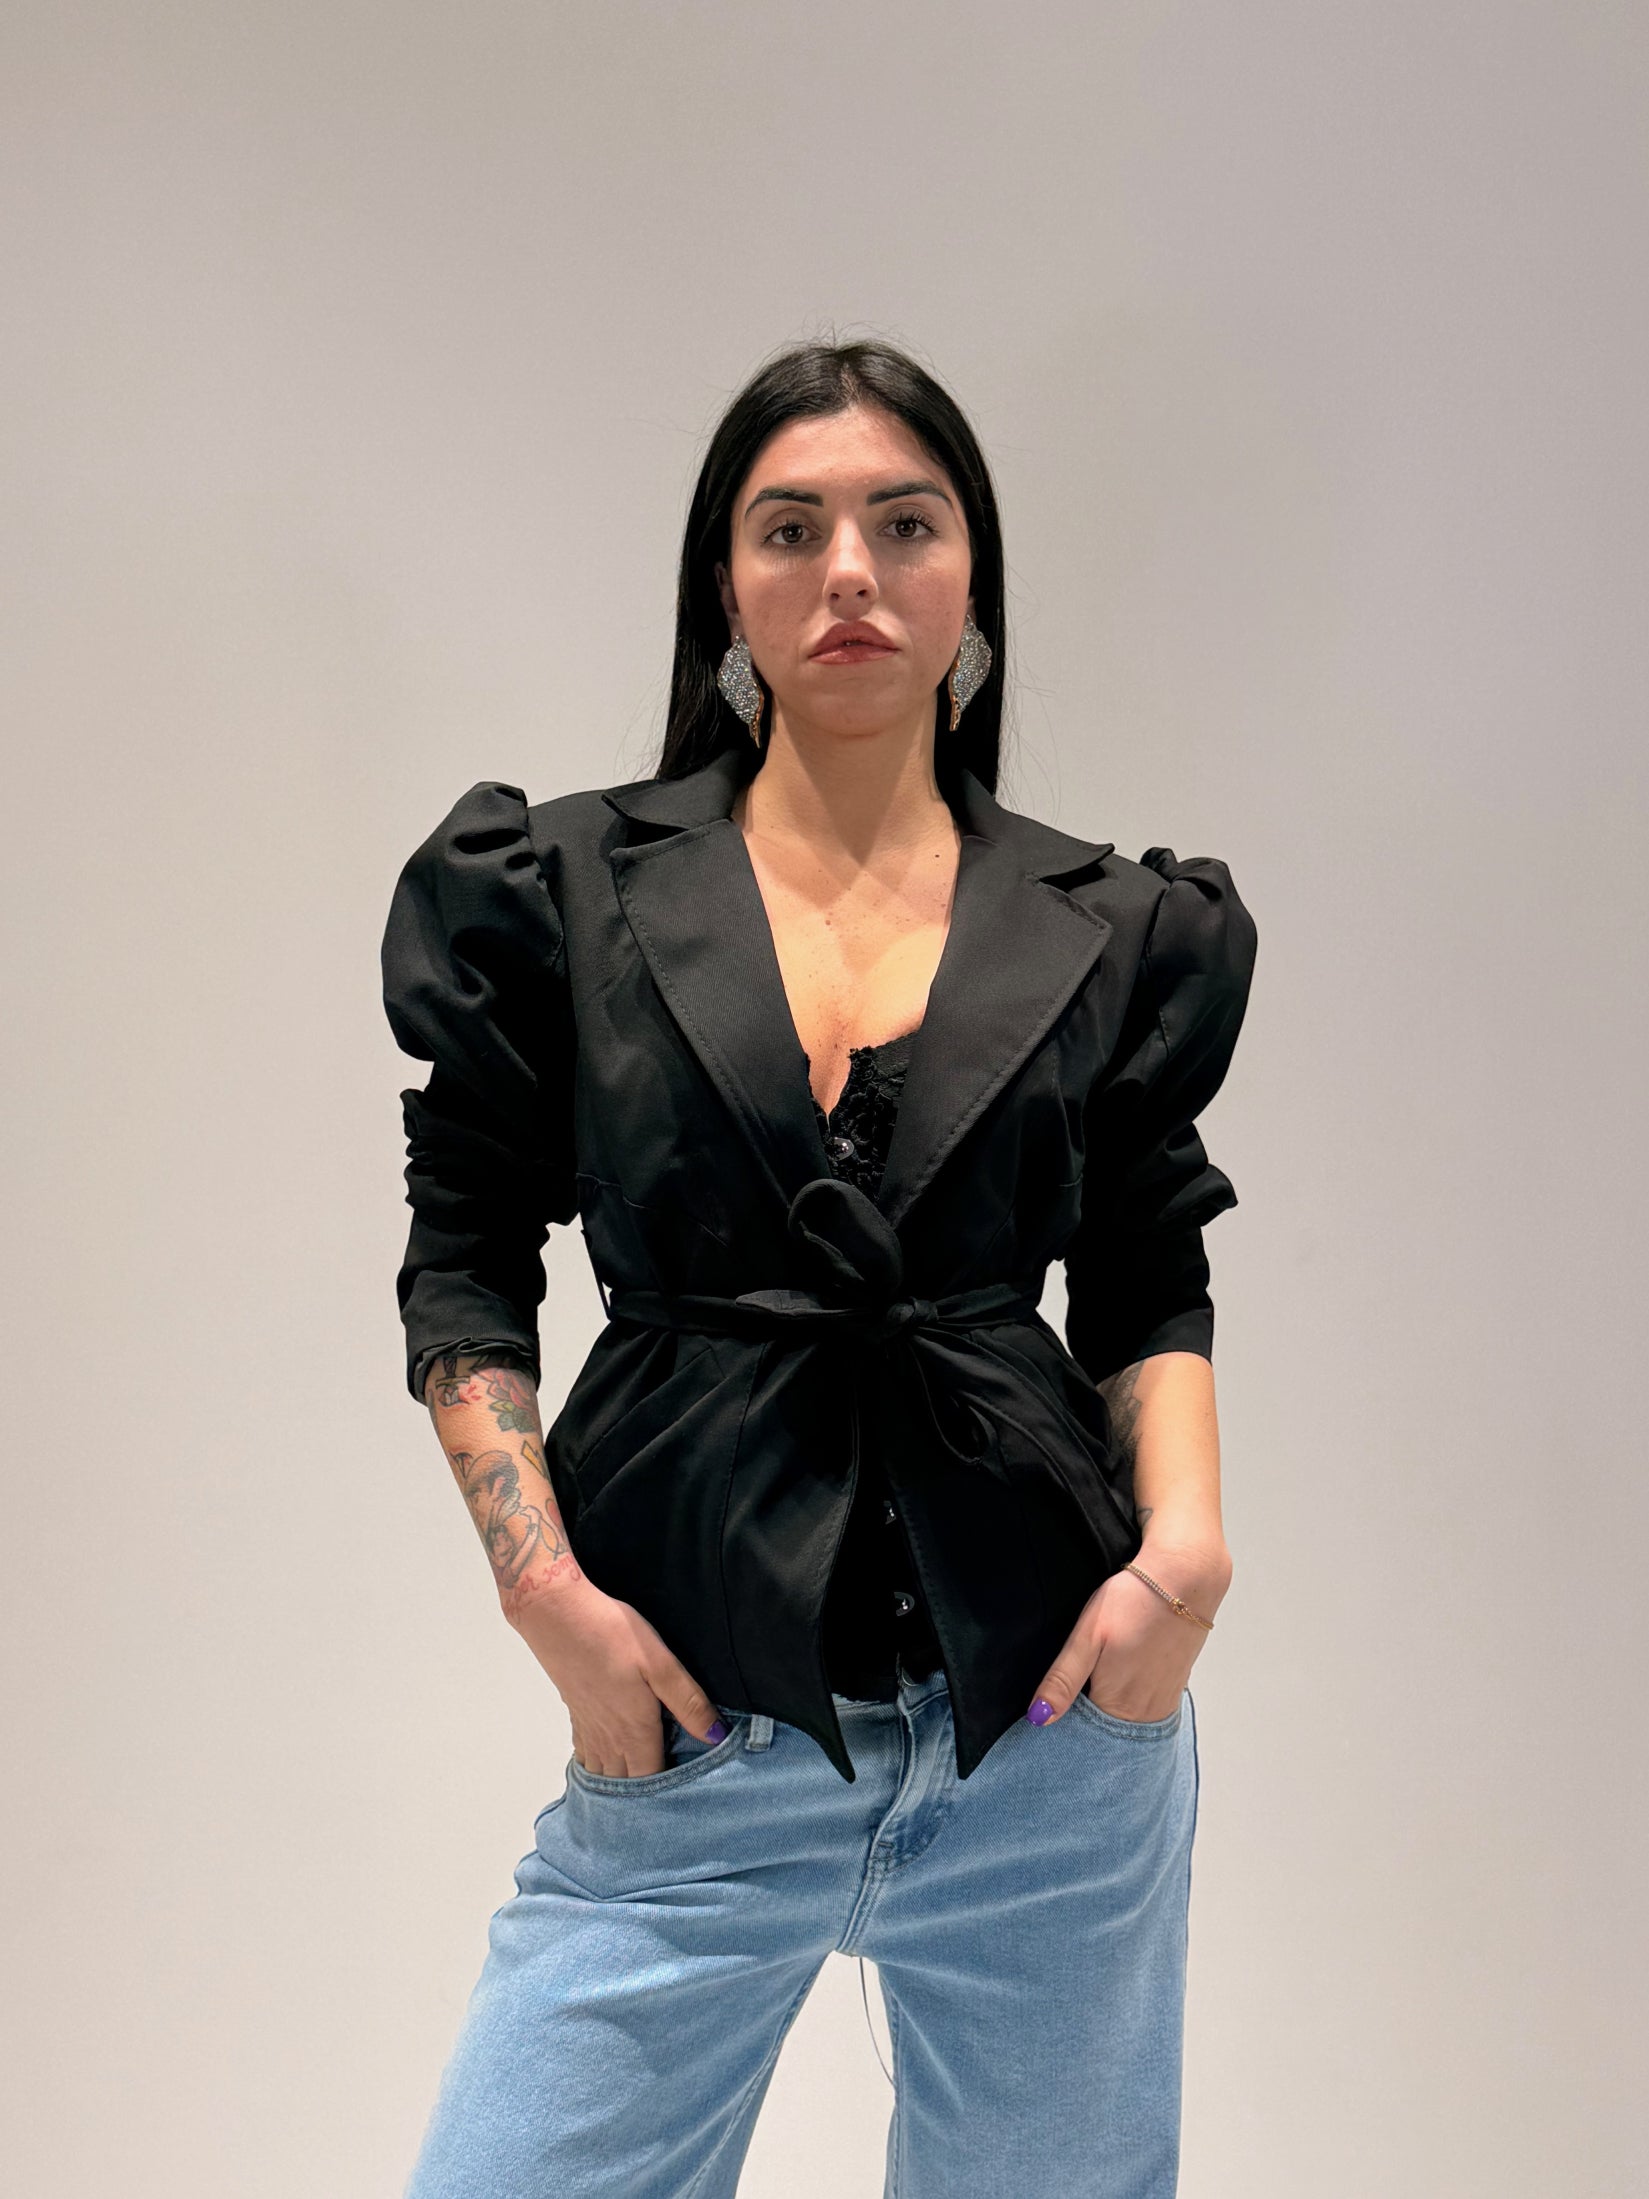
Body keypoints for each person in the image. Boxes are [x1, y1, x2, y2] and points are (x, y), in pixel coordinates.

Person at [380, 337, 1258, 2198]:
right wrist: (539, 1586)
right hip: (699, 1725)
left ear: (971, 581)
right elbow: (464, 1251)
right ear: (727, 586)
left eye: (902, 524)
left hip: (1051, 1737)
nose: (847, 569)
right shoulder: (564, 892)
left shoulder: (1110, 923)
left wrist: (1182, 1558)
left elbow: (1142, 1264)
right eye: (790, 528)